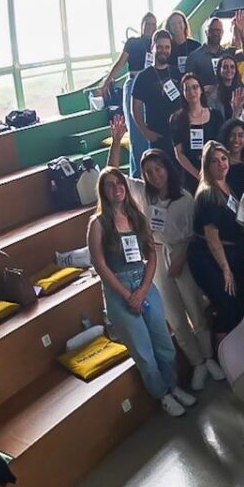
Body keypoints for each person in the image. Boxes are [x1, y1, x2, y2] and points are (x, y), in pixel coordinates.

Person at [107, 132, 219, 393]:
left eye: (158, 169)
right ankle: (197, 363)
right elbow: (112, 174)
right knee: (175, 318)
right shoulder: (142, 195)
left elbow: (194, 234)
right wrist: (115, 141)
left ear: (167, 168)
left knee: (195, 311)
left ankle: (210, 358)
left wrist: (180, 259)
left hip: (183, 254)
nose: (155, 175)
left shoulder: (185, 198)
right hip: (155, 256)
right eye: (148, 171)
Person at [88, 160, 193, 417]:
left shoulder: (137, 216)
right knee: (143, 350)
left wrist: (144, 289)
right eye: (110, 185)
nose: (117, 189)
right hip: (118, 289)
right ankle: (162, 395)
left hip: (144, 284)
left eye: (120, 183)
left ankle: (172, 385)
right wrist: (127, 296)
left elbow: (151, 254)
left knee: (163, 341)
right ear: (104, 192)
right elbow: (100, 265)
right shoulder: (98, 224)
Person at [190, 140, 244, 332]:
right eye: (215, 161)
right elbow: (211, 235)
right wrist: (225, 269)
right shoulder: (208, 194)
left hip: (229, 253)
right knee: (228, 307)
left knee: (238, 306)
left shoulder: (229, 186)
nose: (221, 164)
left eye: (224, 158)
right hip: (210, 259)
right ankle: (220, 356)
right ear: (207, 166)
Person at [129, 29, 184, 170]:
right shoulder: (143, 77)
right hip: (157, 137)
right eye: (159, 47)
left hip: (179, 134)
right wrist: (145, 132)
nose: (163, 50)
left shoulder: (177, 72)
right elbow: (135, 107)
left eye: (167, 47)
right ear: (152, 47)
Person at [168, 73, 221, 192]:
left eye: (195, 87)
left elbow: (220, 146)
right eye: (187, 89)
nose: (192, 92)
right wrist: (199, 175)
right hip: (190, 175)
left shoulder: (216, 115)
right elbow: (179, 153)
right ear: (183, 93)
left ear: (201, 90)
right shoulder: (176, 119)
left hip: (214, 172)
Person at [184, 11, 244, 90]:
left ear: (222, 33)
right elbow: (188, 83)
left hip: (228, 99)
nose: (215, 33)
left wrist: (242, 32)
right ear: (206, 32)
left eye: (218, 30)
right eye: (212, 30)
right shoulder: (195, 57)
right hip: (206, 100)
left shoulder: (228, 53)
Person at [100, 11, 156, 100]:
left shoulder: (157, 45)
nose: (150, 27)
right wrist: (107, 82)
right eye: (147, 24)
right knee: (130, 112)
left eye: (153, 24)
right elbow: (120, 63)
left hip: (150, 84)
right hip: (133, 82)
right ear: (142, 26)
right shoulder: (132, 42)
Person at [212, 54, 244, 121]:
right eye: (225, 67)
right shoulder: (213, 93)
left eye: (232, 67)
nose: (229, 70)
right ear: (219, 70)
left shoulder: (243, 88)